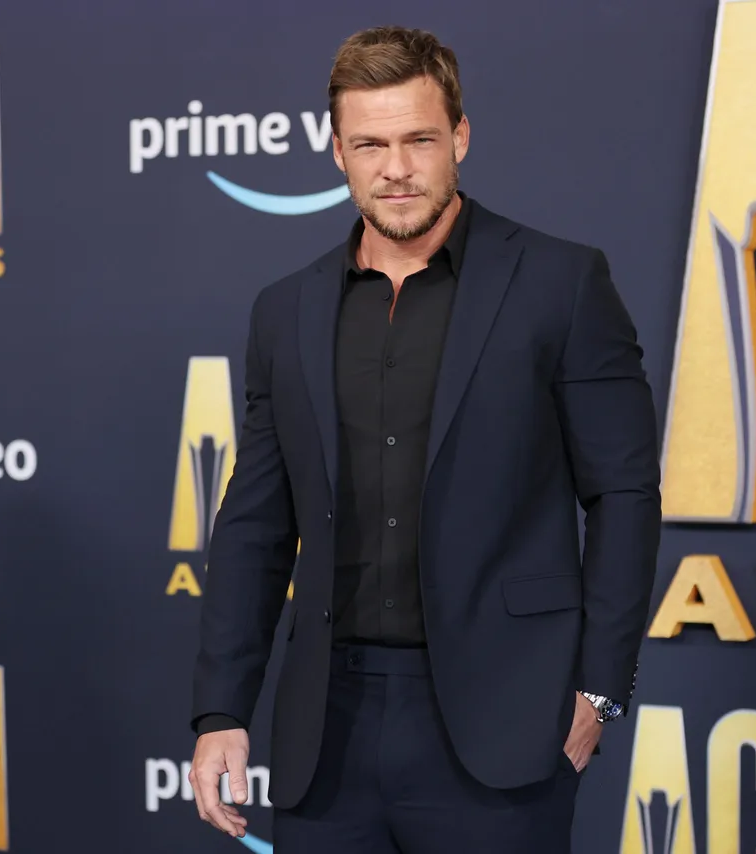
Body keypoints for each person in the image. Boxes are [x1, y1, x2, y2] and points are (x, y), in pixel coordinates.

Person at [188, 24, 660, 853]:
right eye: (370, 143)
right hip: (325, 733)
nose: (396, 168)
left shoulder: (561, 282)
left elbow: (622, 492)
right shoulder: (285, 310)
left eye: (418, 140)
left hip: (506, 723)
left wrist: (601, 690)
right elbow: (255, 523)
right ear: (337, 151)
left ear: (460, 139)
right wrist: (223, 707)